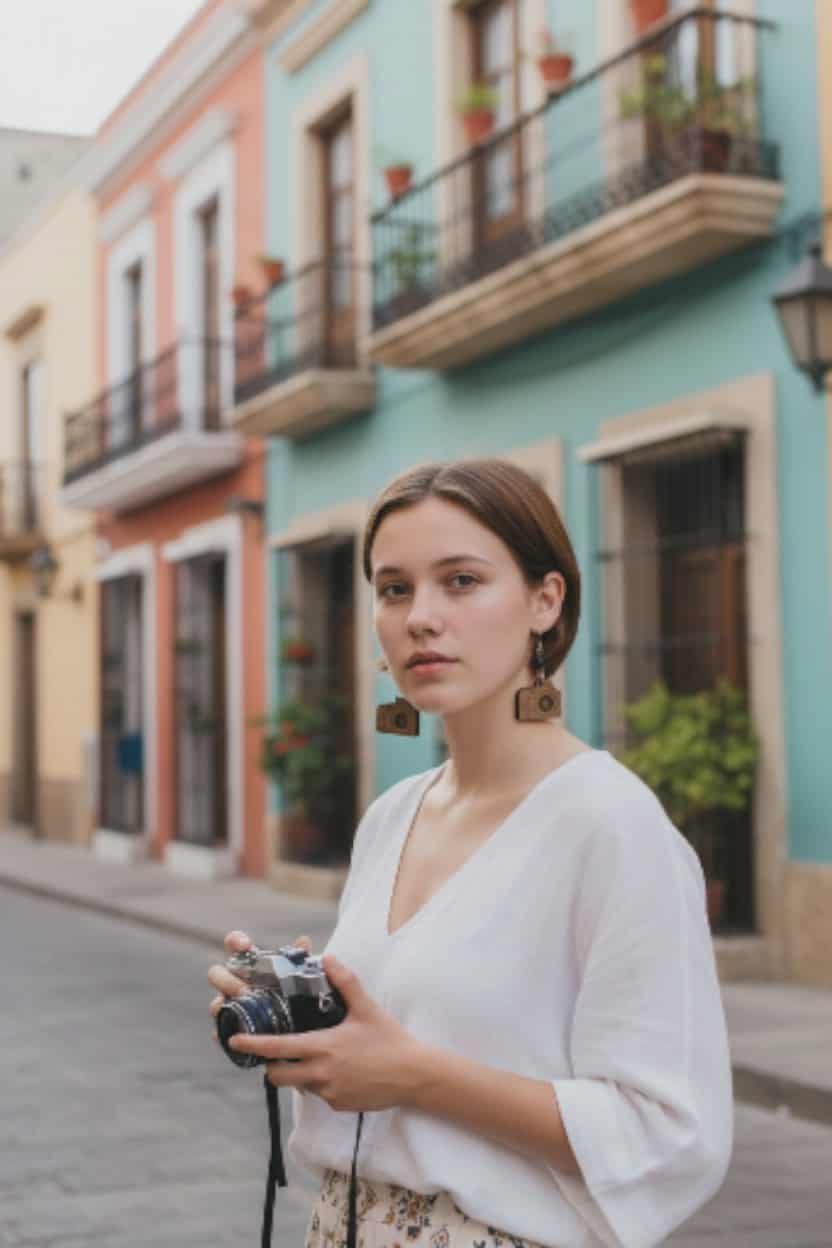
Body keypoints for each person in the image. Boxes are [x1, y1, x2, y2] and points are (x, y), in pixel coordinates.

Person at [209, 458, 733, 1248]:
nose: (421, 616)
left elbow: (667, 1132)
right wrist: (306, 1019)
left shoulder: (611, 825)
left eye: (460, 581)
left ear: (543, 600)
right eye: (394, 589)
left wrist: (414, 1075)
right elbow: (391, 1047)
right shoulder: (392, 817)